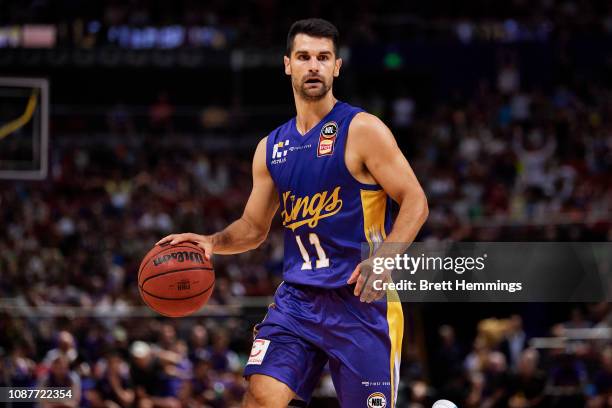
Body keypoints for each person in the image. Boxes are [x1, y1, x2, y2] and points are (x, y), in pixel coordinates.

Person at [158, 18, 428, 408]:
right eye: (304, 56)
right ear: (288, 65)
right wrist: (212, 242)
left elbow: (415, 200)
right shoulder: (271, 148)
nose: (313, 65)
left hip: (361, 302)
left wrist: (384, 260)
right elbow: (253, 228)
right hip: (298, 302)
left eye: (323, 57)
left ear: (337, 66)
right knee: (260, 396)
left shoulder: (363, 129)